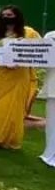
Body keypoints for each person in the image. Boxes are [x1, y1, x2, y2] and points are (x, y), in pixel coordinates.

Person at [0, 6, 40, 148]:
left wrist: (20, 62)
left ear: (17, 16)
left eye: (9, 15)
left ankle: (9, 139)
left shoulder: (28, 34)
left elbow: (37, 53)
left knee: (15, 109)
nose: (6, 17)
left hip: (19, 76)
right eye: (3, 15)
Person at [40, 30, 55, 167]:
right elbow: (42, 61)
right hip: (53, 86)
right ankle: (50, 153)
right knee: (52, 123)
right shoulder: (51, 36)